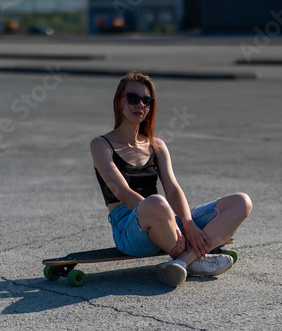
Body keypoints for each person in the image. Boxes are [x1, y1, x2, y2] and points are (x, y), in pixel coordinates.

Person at [90, 71, 252, 287]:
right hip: (129, 227)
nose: (140, 104)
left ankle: (182, 262)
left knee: (241, 201)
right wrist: (165, 216)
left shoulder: (156, 145)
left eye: (147, 101)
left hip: (166, 218)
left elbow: (173, 189)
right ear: (118, 102)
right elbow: (120, 190)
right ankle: (196, 259)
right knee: (157, 202)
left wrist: (188, 223)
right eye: (133, 98)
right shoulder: (101, 145)